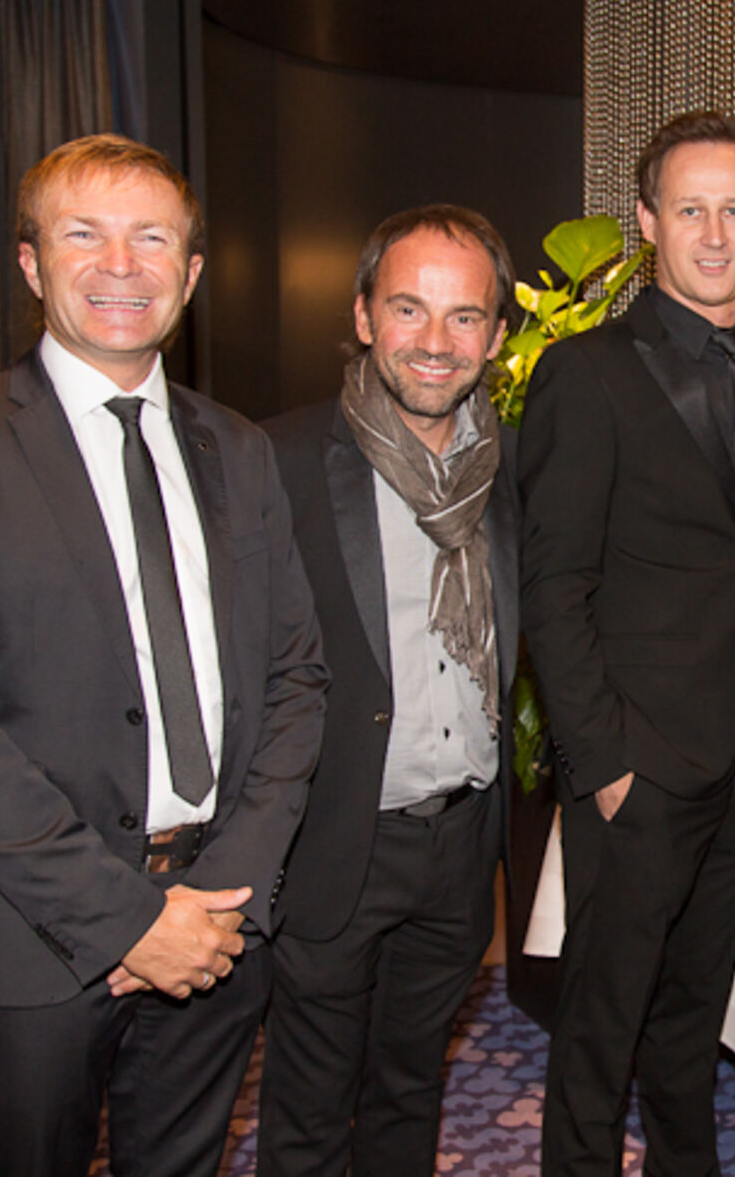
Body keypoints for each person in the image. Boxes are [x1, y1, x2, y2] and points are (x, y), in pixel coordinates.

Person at [0, 135, 327, 1177]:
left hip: (218, 918)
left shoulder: (238, 447)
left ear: (190, 274)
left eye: (151, 239)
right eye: (84, 234)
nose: (121, 265)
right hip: (30, 931)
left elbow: (295, 678)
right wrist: (126, 921)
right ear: (31, 264)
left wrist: (225, 894)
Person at [519, 110, 735, 1175]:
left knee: (691, 1023)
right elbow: (553, 585)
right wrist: (605, 764)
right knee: (600, 1033)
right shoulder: (585, 373)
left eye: (734, 211)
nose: (713, 235)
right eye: (690, 210)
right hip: (639, 767)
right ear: (647, 222)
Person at [256, 205, 519, 1174]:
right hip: (335, 842)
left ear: (496, 334)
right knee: (309, 1111)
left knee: (411, 1089)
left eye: (464, 316)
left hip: (461, 845)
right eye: (410, 308)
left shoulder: (511, 468)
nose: (436, 340)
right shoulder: (279, 460)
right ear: (365, 315)